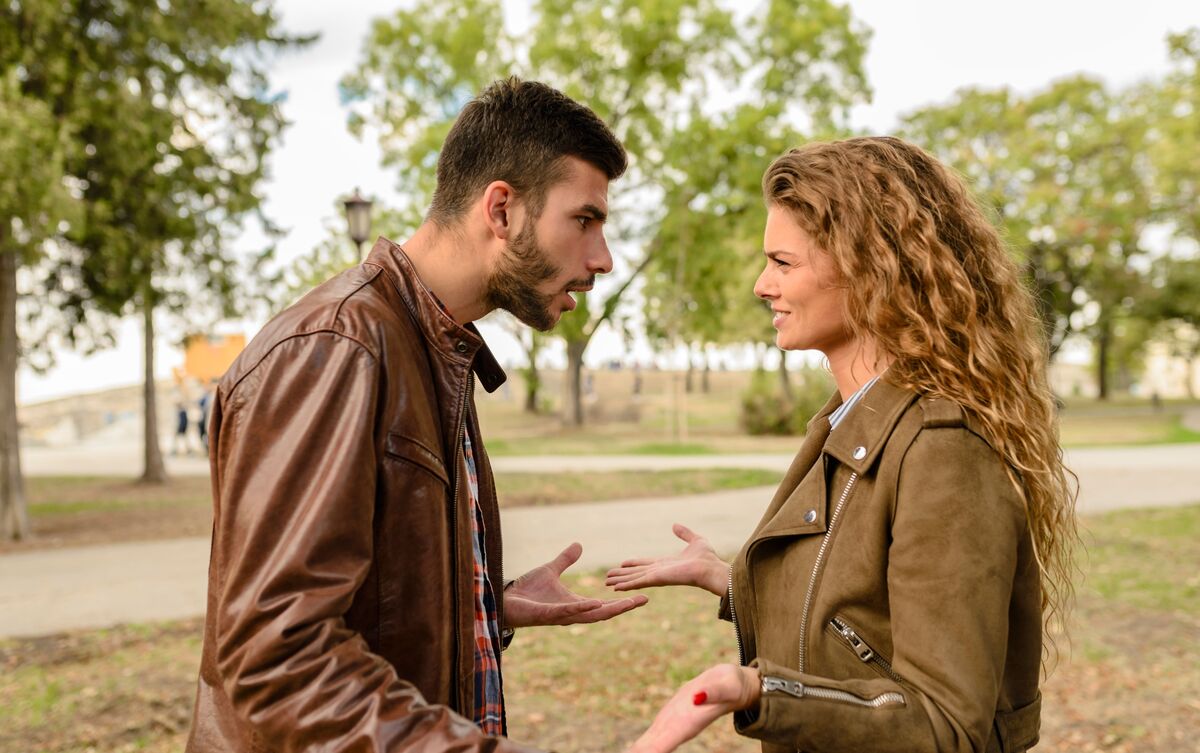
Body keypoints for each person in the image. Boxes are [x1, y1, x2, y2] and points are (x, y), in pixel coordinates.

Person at [185, 77, 649, 752]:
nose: (602, 259)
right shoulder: (337, 348)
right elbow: (276, 657)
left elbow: (368, 604)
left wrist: (487, 606)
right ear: (501, 210)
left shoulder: (434, 347)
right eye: (584, 220)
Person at [609, 137, 1078, 753]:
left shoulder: (944, 447)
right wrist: (730, 582)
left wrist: (757, 693)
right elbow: (856, 623)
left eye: (783, 263)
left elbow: (946, 724)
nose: (760, 285)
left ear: (868, 267)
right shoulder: (849, 421)